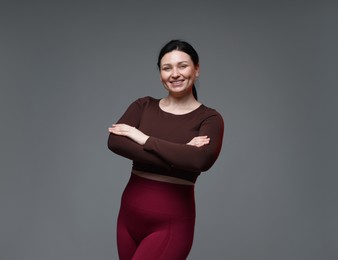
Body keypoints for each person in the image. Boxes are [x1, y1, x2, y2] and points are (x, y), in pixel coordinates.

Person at [107, 39, 224, 260]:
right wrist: (181, 152)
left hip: (171, 222)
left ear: (196, 69)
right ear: (160, 74)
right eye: (167, 68)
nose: (175, 74)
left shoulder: (209, 119)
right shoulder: (143, 106)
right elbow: (115, 142)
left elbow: (200, 162)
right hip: (128, 217)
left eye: (182, 66)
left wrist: (143, 138)